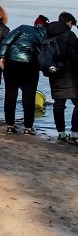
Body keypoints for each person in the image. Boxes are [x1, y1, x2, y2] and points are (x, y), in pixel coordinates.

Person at [0, 15, 45, 134]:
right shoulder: (45, 34)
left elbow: (6, 41)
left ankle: (10, 125)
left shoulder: (22, 28)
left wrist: (2, 56)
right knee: (29, 96)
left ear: (35, 23)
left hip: (12, 63)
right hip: (31, 65)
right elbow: (44, 53)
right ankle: (28, 127)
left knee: (10, 93)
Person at [46, 12, 78, 143]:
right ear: (69, 23)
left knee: (59, 103)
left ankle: (61, 133)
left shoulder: (48, 34)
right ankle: (74, 134)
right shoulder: (70, 35)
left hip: (54, 72)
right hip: (71, 74)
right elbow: (74, 55)